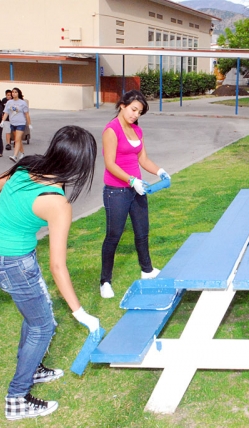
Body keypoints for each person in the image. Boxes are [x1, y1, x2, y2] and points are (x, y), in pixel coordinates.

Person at [0, 125, 101, 420]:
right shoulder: (57, 203)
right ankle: (17, 398)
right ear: (81, 163)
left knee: (35, 318)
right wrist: (80, 313)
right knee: (44, 325)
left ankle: (34, 367)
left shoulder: (28, 163)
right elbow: (58, 265)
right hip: (14, 263)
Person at [99, 90, 170, 299]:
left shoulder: (136, 131)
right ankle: (105, 281)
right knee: (114, 236)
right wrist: (131, 180)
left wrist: (159, 171)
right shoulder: (111, 130)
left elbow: (143, 159)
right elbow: (110, 164)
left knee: (142, 232)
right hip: (116, 191)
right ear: (122, 105)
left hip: (137, 189)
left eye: (139, 112)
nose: (135, 115)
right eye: (133, 109)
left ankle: (147, 270)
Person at [1, 87, 32, 162]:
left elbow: (27, 114)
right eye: (13, 92)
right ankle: (22, 153)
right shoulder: (9, 102)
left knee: (17, 140)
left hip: (21, 123)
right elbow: (6, 113)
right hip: (13, 123)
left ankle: (15, 156)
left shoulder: (22, 103)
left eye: (15, 92)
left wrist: (29, 123)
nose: (14, 93)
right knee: (18, 140)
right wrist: (2, 121)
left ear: (18, 93)